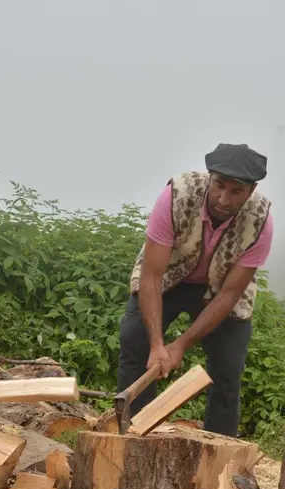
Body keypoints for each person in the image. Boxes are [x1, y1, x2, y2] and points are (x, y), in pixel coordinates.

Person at [116, 143, 274, 437]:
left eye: (236, 192)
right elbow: (151, 276)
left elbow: (229, 295)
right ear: (210, 177)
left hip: (220, 290)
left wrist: (180, 345)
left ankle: (220, 449)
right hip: (167, 278)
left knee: (228, 367)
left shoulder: (261, 222)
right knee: (134, 341)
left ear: (250, 191)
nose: (223, 199)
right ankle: (132, 435)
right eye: (219, 186)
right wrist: (157, 345)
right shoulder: (177, 195)